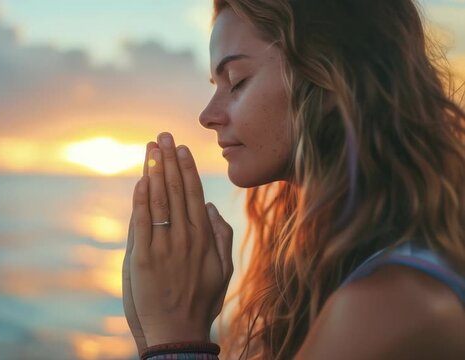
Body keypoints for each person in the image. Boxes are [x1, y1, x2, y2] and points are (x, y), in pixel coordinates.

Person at [122, 0, 465, 359]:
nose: (208, 116)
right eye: (215, 85)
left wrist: (176, 336)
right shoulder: (339, 266)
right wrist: (155, 334)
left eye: (237, 82)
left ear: (331, 74)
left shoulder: (391, 307)